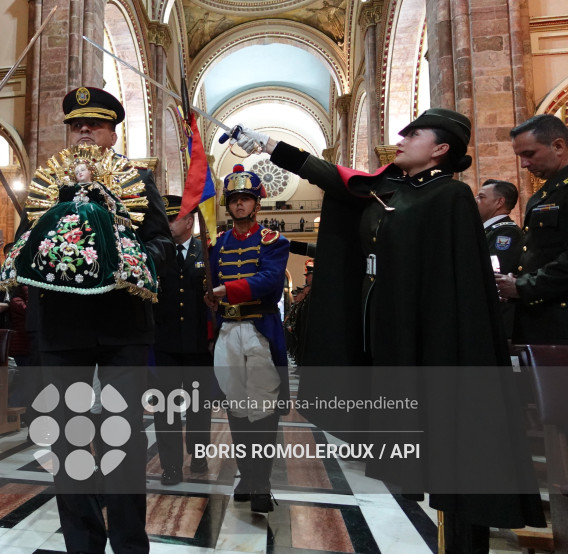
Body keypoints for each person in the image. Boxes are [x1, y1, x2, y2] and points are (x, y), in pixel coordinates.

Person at [231, 109, 544, 551]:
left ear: (441, 148)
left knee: (448, 440)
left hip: (427, 331)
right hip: (384, 326)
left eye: (414, 133)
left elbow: (453, 286)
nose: (402, 138)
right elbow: (333, 176)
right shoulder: (389, 189)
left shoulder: (448, 197)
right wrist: (267, 145)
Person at [12, 86, 172, 553]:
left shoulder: (138, 182)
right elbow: (25, 249)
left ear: (112, 133)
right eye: (76, 125)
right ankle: (81, 542)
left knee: (122, 438)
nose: (84, 130)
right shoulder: (49, 185)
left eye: (95, 124)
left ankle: (128, 543)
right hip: (62, 327)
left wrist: (127, 257)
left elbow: (162, 244)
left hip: (123, 323)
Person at [205, 165, 290, 513]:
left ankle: (263, 482)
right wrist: (209, 297)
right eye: (235, 199)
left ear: (257, 204)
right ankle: (246, 475)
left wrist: (226, 289)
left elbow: (270, 280)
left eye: (246, 199)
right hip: (228, 330)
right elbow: (208, 286)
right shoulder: (218, 243)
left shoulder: (273, 241)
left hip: (259, 331)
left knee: (263, 409)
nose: (240, 205)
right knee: (237, 408)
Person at [151, 195, 213, 486]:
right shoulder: (158, 253)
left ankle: (198, 455)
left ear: (189, 221)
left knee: (199, 407)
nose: (167, 223)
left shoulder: (206, 253)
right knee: (166, 410)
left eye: (172, 218)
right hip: (165, 346)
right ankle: (171, 466)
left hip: (199, 346)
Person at [496, 114, 568, 344]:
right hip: (541, 318)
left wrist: (523, 287)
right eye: (520, 156)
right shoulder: (545, 193)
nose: (524, 164)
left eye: (529, 154)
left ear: (558, 146)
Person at [475, 179, 522, 338]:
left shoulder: (505, 233)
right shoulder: (487, 231)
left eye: (481, 197)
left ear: (499, 202)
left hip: (498, 314)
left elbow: (494, 273)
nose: (476, 201)